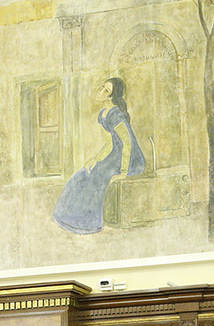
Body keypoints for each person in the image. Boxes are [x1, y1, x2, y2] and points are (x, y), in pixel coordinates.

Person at [52, 76, 146, 234]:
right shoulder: (103, 114)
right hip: (114, 155)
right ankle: (67, 219)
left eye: (106, 90)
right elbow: (109, 144)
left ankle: (89, 224)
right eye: (102, 87)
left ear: (111, 97)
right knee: (81, 176)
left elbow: (127, 144)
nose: (100, 91)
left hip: (129, 159)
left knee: (96, 179)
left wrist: (123, 172)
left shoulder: (115, 114)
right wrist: (95, 159)